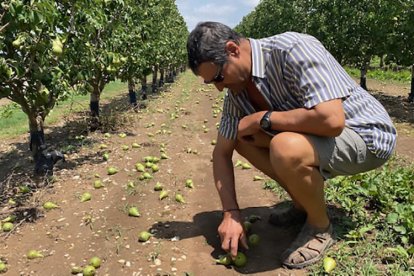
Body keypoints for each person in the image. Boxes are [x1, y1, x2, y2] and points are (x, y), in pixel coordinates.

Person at [186, 21, 397, 269]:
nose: (220, 87)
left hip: (366, 135)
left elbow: (332, 120)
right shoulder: (237, 93)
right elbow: (221, 153)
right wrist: (231, 212)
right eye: (212, 83)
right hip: (321, 140)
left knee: (283, 146)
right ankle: (302, 204)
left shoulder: (293, 48)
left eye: (219, 77)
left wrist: (262, 119)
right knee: (243, 139)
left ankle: (320, 227)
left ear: (233, 50)